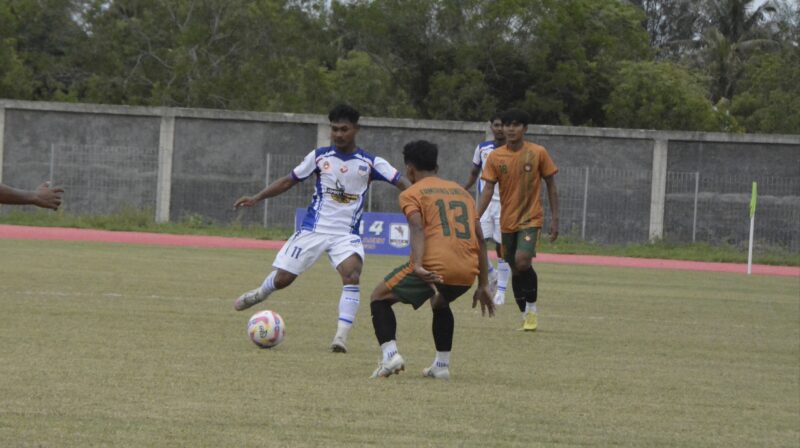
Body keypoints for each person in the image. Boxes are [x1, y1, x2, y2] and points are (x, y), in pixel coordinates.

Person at [232, 104, 410, 353]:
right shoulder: (319, 157)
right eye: (334, 129)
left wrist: (423, 199)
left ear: (356, 129)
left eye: (344, 129)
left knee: (352, 275)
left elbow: (402, 181)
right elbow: (287, 181)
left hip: (345, 235)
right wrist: (257, 197)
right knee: (283, 279)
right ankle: (261, 293)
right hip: (313, 230)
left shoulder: (370, 162)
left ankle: (340, 337)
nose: (338, 134)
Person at [369, 140, 495, 380]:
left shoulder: (411, 193)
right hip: (466, 271)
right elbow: (480, 238)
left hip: (435, 266)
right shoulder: (462, 193)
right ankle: (441, 365)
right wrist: (483, 283)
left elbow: (417, 226)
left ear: (410, 169)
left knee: (379, 297)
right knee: (439, 302)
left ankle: (390, 355)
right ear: (436, 165)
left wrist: (417, 265)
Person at [477, 109, 559, 332]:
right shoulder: (495, 157)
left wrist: (555, 219)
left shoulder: (538, 152)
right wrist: (476, 216)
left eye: (516, 125)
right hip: (507, 221)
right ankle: (525, 314)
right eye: (507, 125)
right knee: (514, 267)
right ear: (501, 128)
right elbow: (487, 190)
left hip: (531, 218)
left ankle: (532, 309)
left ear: (525, 128)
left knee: (523, 261)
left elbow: (551, 184)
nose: (511, 129)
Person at [463, 114, 510, 305]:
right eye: (496, 125)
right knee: (474, 241)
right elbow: (475, 173)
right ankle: (491, 274)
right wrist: (463, 188)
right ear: (491, 126)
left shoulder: (513, 150)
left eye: (503, 125)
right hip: (485, 202)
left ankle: (501, 291)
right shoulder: (482, 149)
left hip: (505, 205)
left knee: (501, 247)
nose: (500, 129)